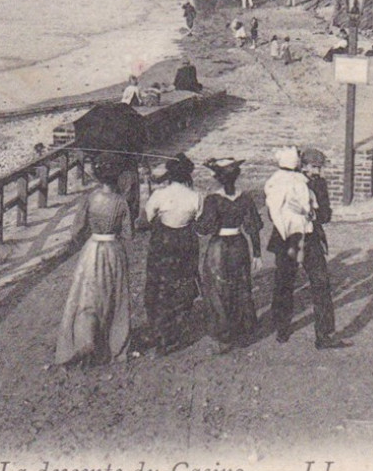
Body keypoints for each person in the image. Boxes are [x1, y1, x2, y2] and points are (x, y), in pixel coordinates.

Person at [263, 148, 347, 349]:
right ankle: (297, 330)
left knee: (307, 282)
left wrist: (307, 214)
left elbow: (324, 215)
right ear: (303, 165)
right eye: (313, 167)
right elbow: (323, 215)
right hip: (298, 239)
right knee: (298, 282)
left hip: (299, 239)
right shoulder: (298, 182)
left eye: (319, 168)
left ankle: (309, 333)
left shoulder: (307, 183)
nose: (317, 172)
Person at [54, 154, 133, 366]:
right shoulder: (121, 202)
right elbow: (128, 233)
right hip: (113, 249)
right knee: (112, 296)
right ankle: (111, 344)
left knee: (86, 295)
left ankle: (84, 341)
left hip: (92, 249)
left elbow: (77, 230)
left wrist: (83, 238)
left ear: (98, 177)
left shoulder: (89, 199)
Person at [196, 158, 262, 352]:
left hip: (219, 247)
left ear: (217, 178)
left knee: (217, 289)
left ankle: (224, 335)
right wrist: (257, 253)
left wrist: (198, 219)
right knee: (241, 286)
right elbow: (253, 227)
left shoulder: (213, 199)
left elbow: (204, 228)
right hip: (239, 244)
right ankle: (243, 332)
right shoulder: (245, 198)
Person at [142, 153, 203, 352]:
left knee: (158, 285)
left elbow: (148, 219)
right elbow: (199, 221)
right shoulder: (195, 196)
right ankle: (176, 330)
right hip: (186, 242)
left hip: (163, 242)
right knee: (183, 283)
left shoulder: (160, 194)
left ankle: (159, 331)